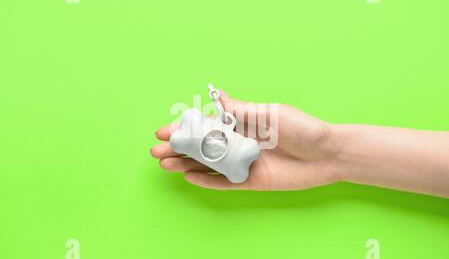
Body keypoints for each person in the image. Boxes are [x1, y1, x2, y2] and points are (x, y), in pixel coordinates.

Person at [150, 90, 449, 198]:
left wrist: (331, 154)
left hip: (237, 151)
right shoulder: (200, 134)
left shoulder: (240, 148)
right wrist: (331, 153)